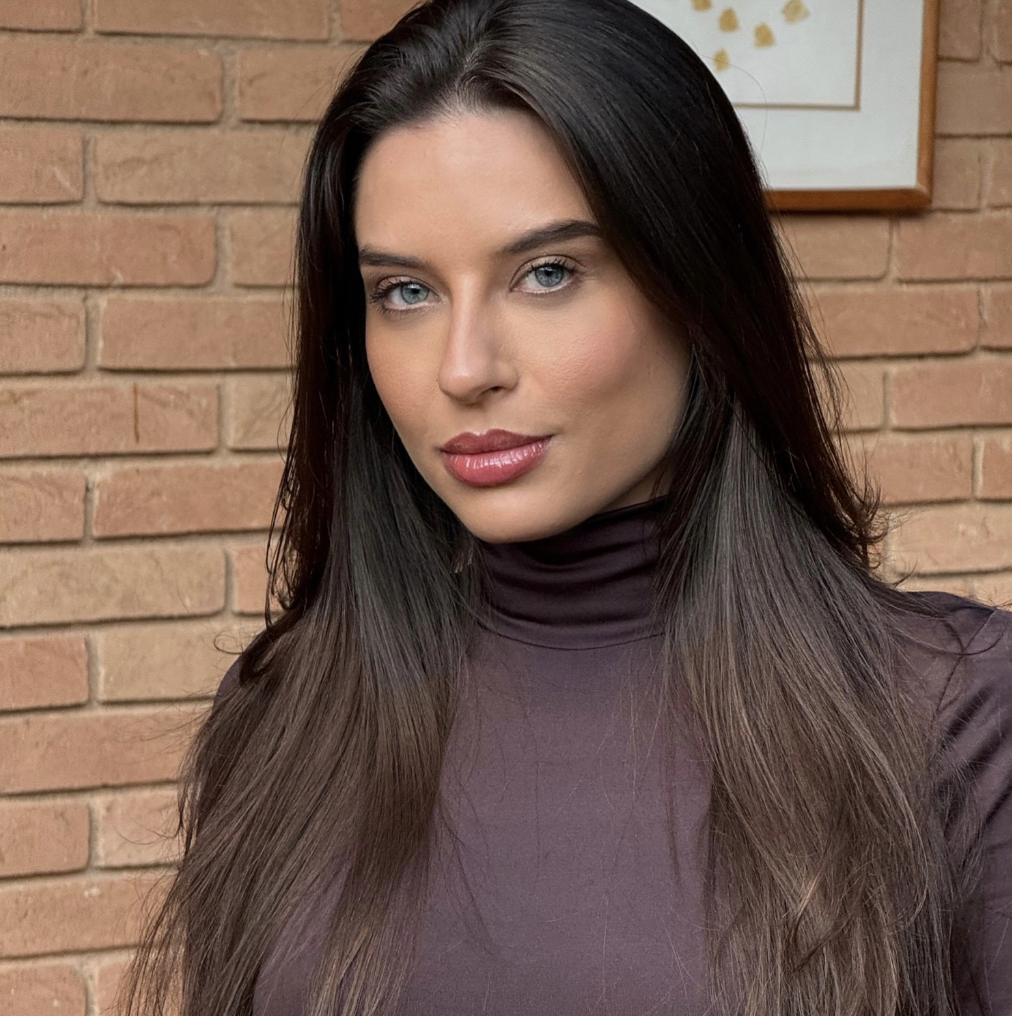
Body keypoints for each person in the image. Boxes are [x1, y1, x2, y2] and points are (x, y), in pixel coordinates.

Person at [126, 1, 1012, 1014]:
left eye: (547, 273)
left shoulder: (953, 719)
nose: (464, 369)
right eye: (405, 291)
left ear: (697, 289)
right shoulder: (285, 716)